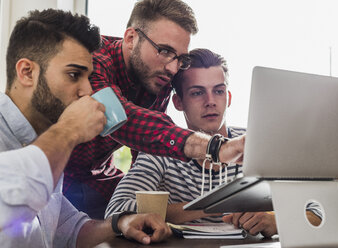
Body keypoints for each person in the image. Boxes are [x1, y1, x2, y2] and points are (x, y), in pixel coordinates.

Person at [105, 48, 322, 238]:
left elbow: (318, 209)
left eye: (218, 91)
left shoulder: (256, 144)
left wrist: (275, 222)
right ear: (178, 102)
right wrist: (214, 205)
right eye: (198, 92)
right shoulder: (162, 150)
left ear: (228, 97)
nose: (210, 101)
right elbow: (117, 210)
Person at [0, 9, 171, 247]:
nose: (88, 91)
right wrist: (69, 131)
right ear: (27, 72)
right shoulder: (54, 139)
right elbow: (10, 198)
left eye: (88, 77)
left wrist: (119, 223)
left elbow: (67, 228)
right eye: (73, 75)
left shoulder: (46, 139)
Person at [64, 0, 245, 220]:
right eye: (164, 51)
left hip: (98, 182)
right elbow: (121, 119)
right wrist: (215, 147)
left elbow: (143, 151)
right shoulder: (93, 60)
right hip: (53, 177)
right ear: (131, 38)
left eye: (180, 58)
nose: (172, 68)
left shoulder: (160, 78)